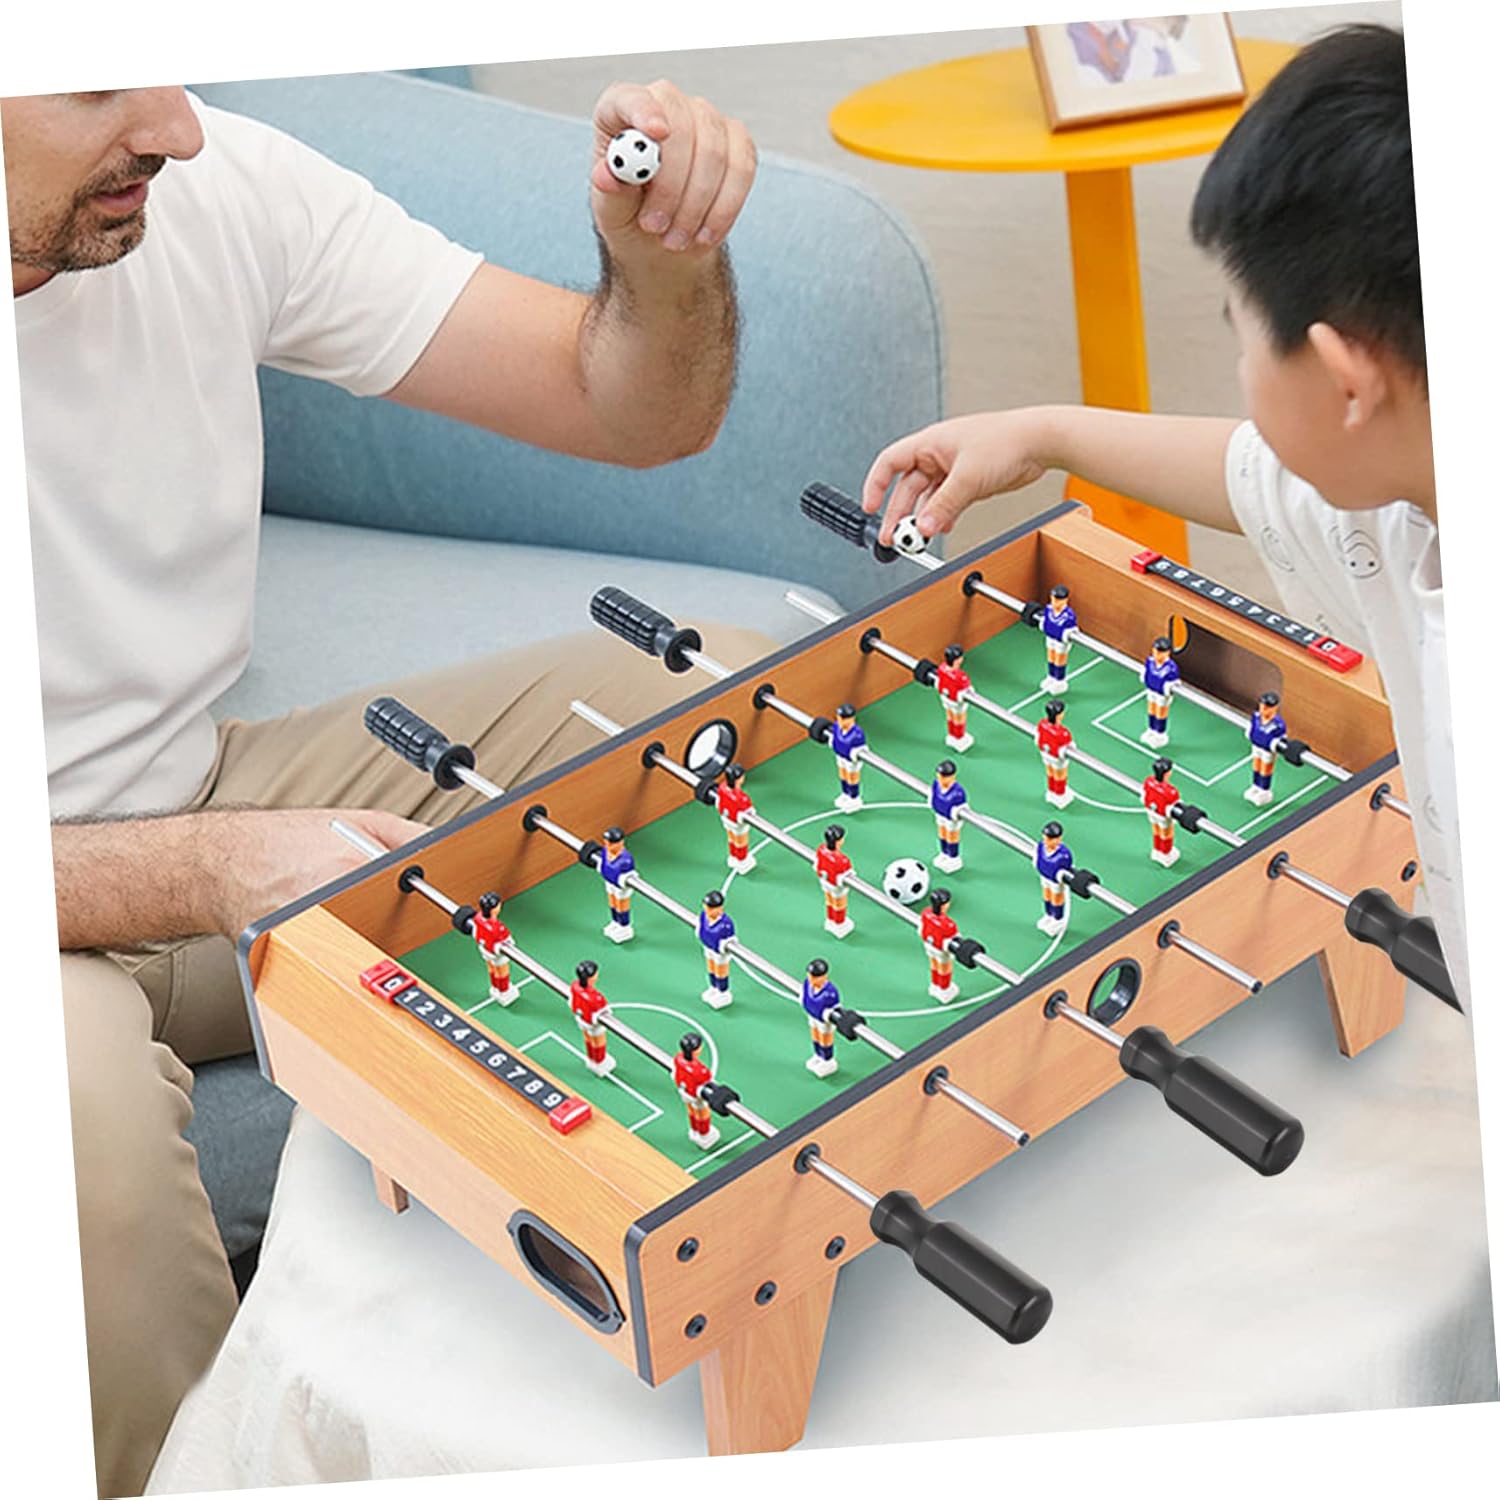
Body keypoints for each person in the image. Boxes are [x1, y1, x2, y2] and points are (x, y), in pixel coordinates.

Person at [6, 78, 760, 1498]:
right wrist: (213, 871)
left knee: (728, 703)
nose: (174, 126)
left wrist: (662, 266)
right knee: (66, 1152)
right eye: (98, 82)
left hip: (198, 787)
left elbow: (629, 409)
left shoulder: (215, 185)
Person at [859, 24, 1466, 1006]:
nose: (1241, 369)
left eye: (1242, 338)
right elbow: (1249, 473)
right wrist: (1042, 432)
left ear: (1346, 382)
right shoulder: (1409, 492)